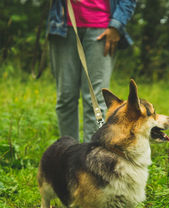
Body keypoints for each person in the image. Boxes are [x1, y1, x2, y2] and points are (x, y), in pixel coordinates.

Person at [47, 0, 136, 142]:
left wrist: (117, 26)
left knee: (95, 99)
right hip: (63, 27)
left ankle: (90, 156)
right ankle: (68, 153)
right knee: (66, 97)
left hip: (102, 28)